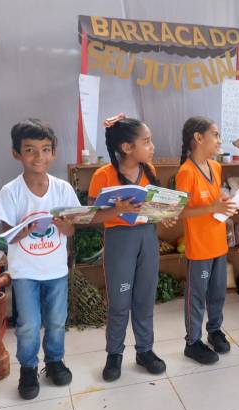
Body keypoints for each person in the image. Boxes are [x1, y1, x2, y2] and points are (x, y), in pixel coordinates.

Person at [0, 118, 80, 399]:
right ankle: (28, 368)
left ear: (53, 153)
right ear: (16, 153)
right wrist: (22, 232)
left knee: (56, 320)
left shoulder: (63, 189)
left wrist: (64, 225)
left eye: (45, 149)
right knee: (29, 325)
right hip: (25, 272)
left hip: (56, 270)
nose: (38, 156)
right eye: (30, 150)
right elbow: (6, 237)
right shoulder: (10, 191)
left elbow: (71, 230)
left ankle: (54, 361)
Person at [88, 114, 171, 382]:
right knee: (120, 302)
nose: (152, 146)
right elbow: (91, 216)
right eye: (146, 141)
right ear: (126, 147)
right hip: (119, 241)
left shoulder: (150, 170)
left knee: (145, 298)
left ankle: (145, 350)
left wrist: (164, 215)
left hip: (147, 238)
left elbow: (154, 207)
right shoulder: (103, 175)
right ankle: (114, 354)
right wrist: (117, 210)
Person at [176, 116, 238, 365]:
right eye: (216, 135)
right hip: (199, 247)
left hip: (218, 243)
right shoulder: (186, 172)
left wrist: (224, 204)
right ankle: (192, 342)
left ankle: (215, 330)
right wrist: (211, 207)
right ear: (198, 138)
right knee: (197, 297)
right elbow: (180, 212)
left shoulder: (215, 166)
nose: (219, 140)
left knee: (217, 293)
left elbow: (214, 202)